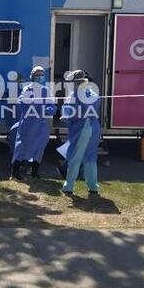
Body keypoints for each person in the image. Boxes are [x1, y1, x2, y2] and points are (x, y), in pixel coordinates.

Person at [60, 70, 102, 198]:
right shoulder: (93, 94)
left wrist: (66, 119)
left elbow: (69, 115)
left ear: (74, 82)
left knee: (75, 157)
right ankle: (93, 187)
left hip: (80, 128)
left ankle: (69, 187)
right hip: (94, 128)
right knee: (90, 157)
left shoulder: (73, 95)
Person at [10, 66, 56, 180]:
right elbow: (21, 102)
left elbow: (52, 106)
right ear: (32, 77)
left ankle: (34, 172)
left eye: (41, 75)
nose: (40, 77)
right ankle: (15, 172)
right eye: (37, 75)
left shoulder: (46, 90)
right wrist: (32, 105)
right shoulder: (27, 89)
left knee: (39, 147)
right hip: (28, 124)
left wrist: (47, 110)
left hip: (41, 124)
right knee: (22, 147)